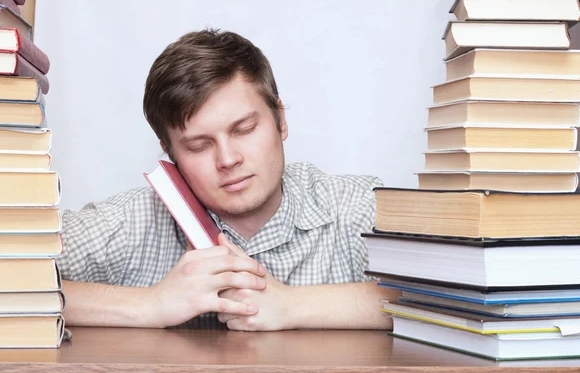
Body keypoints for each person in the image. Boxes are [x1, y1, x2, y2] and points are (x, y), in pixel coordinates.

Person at [57, 28, 400, 331]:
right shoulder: (129, 222)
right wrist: (150, 304)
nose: (228, 159)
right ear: (170, 153)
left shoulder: (357, 206)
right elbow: (4, 280)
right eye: (198, 145)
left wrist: (294, 306)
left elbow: (449, 297)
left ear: (280, 120)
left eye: (245, 129)